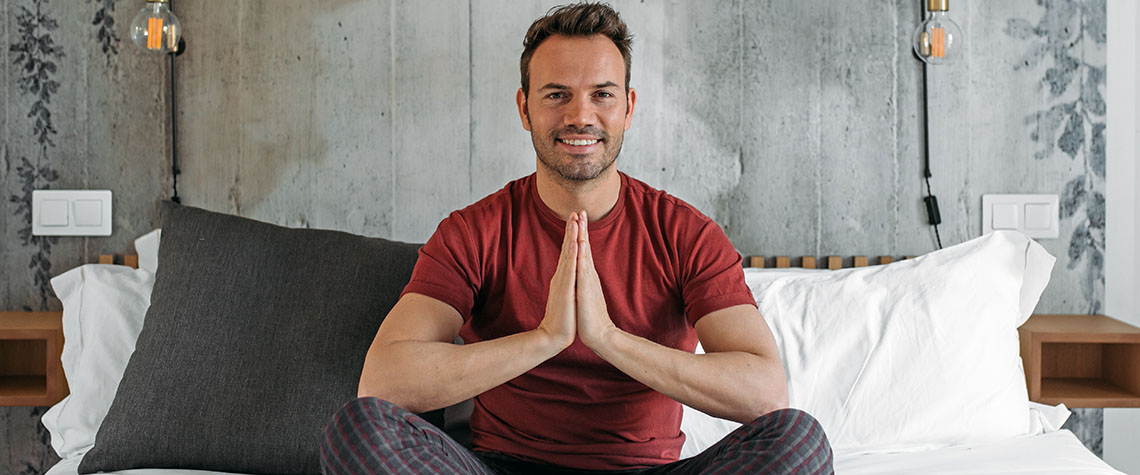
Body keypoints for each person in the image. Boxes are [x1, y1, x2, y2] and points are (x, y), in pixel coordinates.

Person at [321, 3, 832, 474]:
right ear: (525, 109)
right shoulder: (473, 232)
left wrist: (608, 338)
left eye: (602, 95)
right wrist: (545, 338)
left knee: (799, 441)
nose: (580, 116)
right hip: (504, 465)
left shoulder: (685, 234)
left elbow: (765, 394)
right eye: (556, 95)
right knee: (357, 431)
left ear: (628, 108)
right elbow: (382, 382)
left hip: (643, 470)